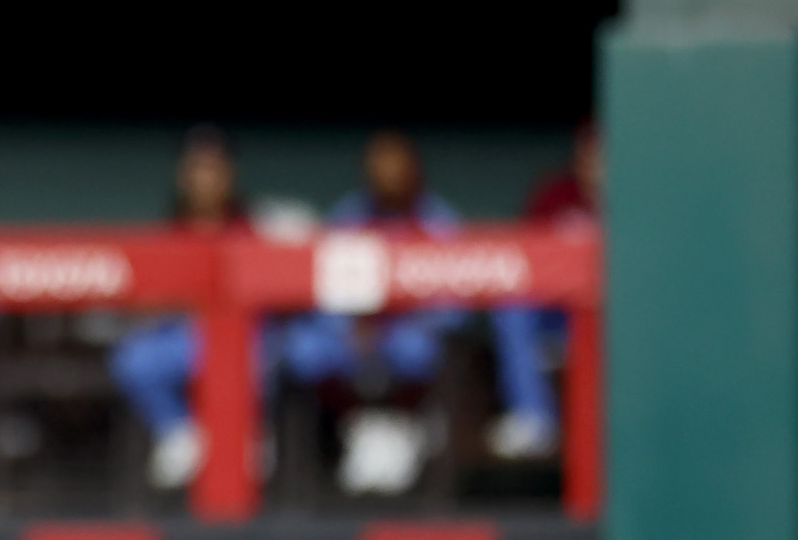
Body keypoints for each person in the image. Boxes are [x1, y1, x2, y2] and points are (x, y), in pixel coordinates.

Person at [275, 130, 466, 495]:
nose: (388, 173)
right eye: (379, 165)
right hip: (348, 336)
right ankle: (338, 440)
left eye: (396, 164)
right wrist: (345, 326)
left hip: (409, 335)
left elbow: (453, 306)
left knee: (417, 348)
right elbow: (320, 286)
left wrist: (390, 331)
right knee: (302, 348)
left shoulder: (437, 221)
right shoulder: (348, 216)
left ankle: (405, 429)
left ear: (413, 169)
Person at [110, 125, 254, 491]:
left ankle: (245, 436)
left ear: (228, 175)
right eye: (196, 169)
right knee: (135, 358)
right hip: (181, 337)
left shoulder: (251, 229)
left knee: (264, 355)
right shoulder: (168, 234)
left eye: (213, 169)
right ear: (183, 176)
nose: (204, 180)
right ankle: (181, 434)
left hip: (244, 339)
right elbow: (139, 304)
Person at [486, 120, 602, 461]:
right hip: (558, 317)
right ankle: (534, 418)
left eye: (603, 157)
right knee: (512, 303)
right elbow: (526, 258)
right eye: (589, 155)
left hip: (617, 321)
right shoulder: (555, 194)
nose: (595, 165)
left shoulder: (639, 198)